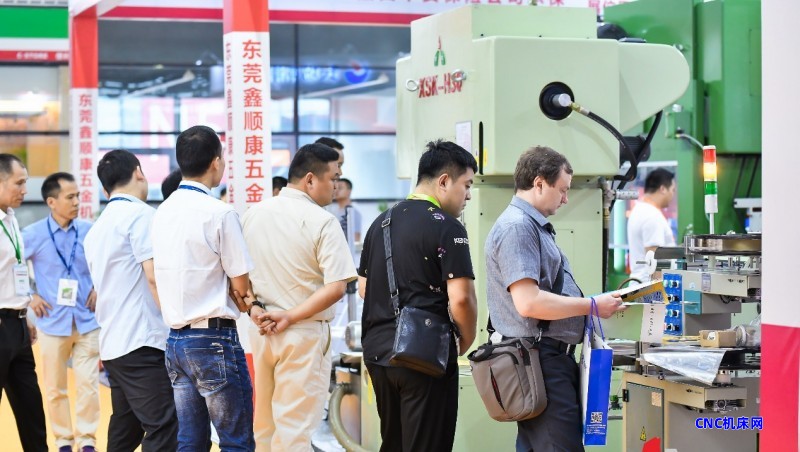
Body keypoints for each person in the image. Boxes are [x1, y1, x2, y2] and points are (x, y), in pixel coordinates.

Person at [484, 146, 625, 451]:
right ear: (539, 183)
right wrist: (592, 306)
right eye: (562, 190)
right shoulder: (517, 228)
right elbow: (529, 303)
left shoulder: (531, 227)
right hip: (540, 361)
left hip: (546, 360)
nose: (565, 199)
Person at [357, 140, 478, 452]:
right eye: (466, 185)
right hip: (425, 356)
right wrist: (464, 340)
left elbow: (364, 287)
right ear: (444, 181)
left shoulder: (380, 223)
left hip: (378, 354)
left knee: (394, 443)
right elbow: (461, 298)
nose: (468, 195)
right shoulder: (448, 227)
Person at [241, 142, 358, 451]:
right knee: (294, 429)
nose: (336, 186)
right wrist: (290, 316)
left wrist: (253, 309)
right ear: (310, 179)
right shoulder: (322, 221)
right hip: (302, 333)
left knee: (264, 425)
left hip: (261, 330)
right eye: (333, 178)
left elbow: (238, 276)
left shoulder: (254, 214)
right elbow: (337, 286)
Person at [152, 125, 256, 451]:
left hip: (176, 341)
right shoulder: (220, 212)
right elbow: (241, 286)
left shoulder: (162, 212)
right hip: (214, 340)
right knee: (236, 441)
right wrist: (250, 303)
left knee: (190, 440)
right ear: (215, 162)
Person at [83, 150, 178, 451]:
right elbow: (154, 278)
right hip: (142, 342)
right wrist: (177, 323)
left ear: (105, 189)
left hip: (114, 343)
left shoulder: (96, 229)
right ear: (139, 172)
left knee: (126, 429)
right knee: (166, 425)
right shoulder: (142, 215)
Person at [23, 172, 100, 452]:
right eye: (70, 197)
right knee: (55, 388)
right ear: (51, 202)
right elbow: (10, 265)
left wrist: (99, 287)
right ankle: (64, 441)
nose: (77, 201)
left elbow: (107, 264)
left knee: (88, 384)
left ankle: (87, 440)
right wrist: (29, 295)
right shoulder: (33, 234)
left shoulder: (90, 231)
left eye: (78, 195)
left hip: (87, 320)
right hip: (52, 322)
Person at [0, 153, 47, 451]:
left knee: (31, 409)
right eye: (19, 183)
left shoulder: (11, 218)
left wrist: (26, 314)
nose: (25, 190)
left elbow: (13, 272)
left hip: (17, 325)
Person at [627, 168, 677, 282]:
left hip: (641, 283)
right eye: (672, 190)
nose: (672, 195)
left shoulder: (639, 210)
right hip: (649, 286)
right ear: (663, 189)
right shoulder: (652, 216)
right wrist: (659, 291)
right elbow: (655, 259)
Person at [327, 178, 362, 243]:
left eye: (340, 188)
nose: (336, 191)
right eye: (335, 188)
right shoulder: (332, 212)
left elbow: (356, 239)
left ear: (349, 191)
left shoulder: (353, 213)